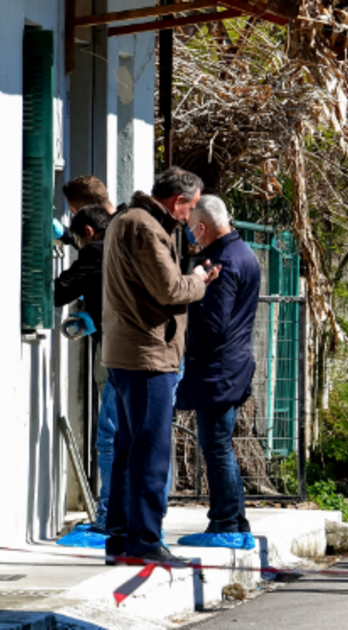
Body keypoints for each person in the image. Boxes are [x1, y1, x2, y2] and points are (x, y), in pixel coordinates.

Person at [103, 167, 219, 564]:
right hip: (148, 354)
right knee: (150, 451)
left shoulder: (127, 219)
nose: (190, 216)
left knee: (128, 448)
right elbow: (169, 289)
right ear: (178, 200)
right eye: (190, 207)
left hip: (128, 351)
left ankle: (121, 537)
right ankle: (145, 540)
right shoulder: (145, 227)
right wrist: (199, 279)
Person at [175, 196, 261, 550]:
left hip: (218, 368)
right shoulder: (244, 253)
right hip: (233, 364)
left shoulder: (221, 262)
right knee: (220, 445)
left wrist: (184, 347)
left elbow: (212, 324)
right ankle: (234, 522)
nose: (189, 235)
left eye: (190, 228)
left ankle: (226, 522)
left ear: (201, 227)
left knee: (216, 447)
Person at [54, 206, 114, 548]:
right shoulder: (127, 246)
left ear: (89, 232)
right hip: (154, 357)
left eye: (78, 239)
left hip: (119, 354)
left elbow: (59, 291)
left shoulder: (94, 252)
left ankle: (108, 521)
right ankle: (139, 519)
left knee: (109, 438)